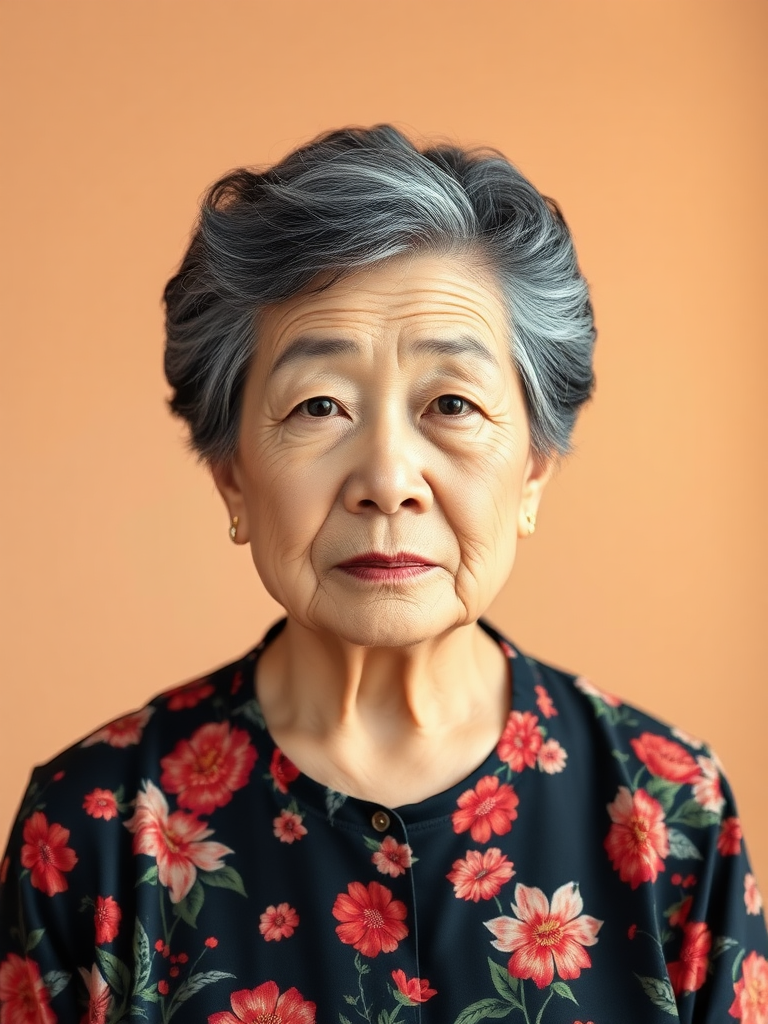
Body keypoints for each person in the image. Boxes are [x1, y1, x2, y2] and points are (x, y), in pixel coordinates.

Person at [0, 126, 765, 1024]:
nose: (388, 481)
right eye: (320, 405)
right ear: (233, 474)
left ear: (533, 471)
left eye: (453, 403)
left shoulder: (669, 812)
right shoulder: (93, 827)